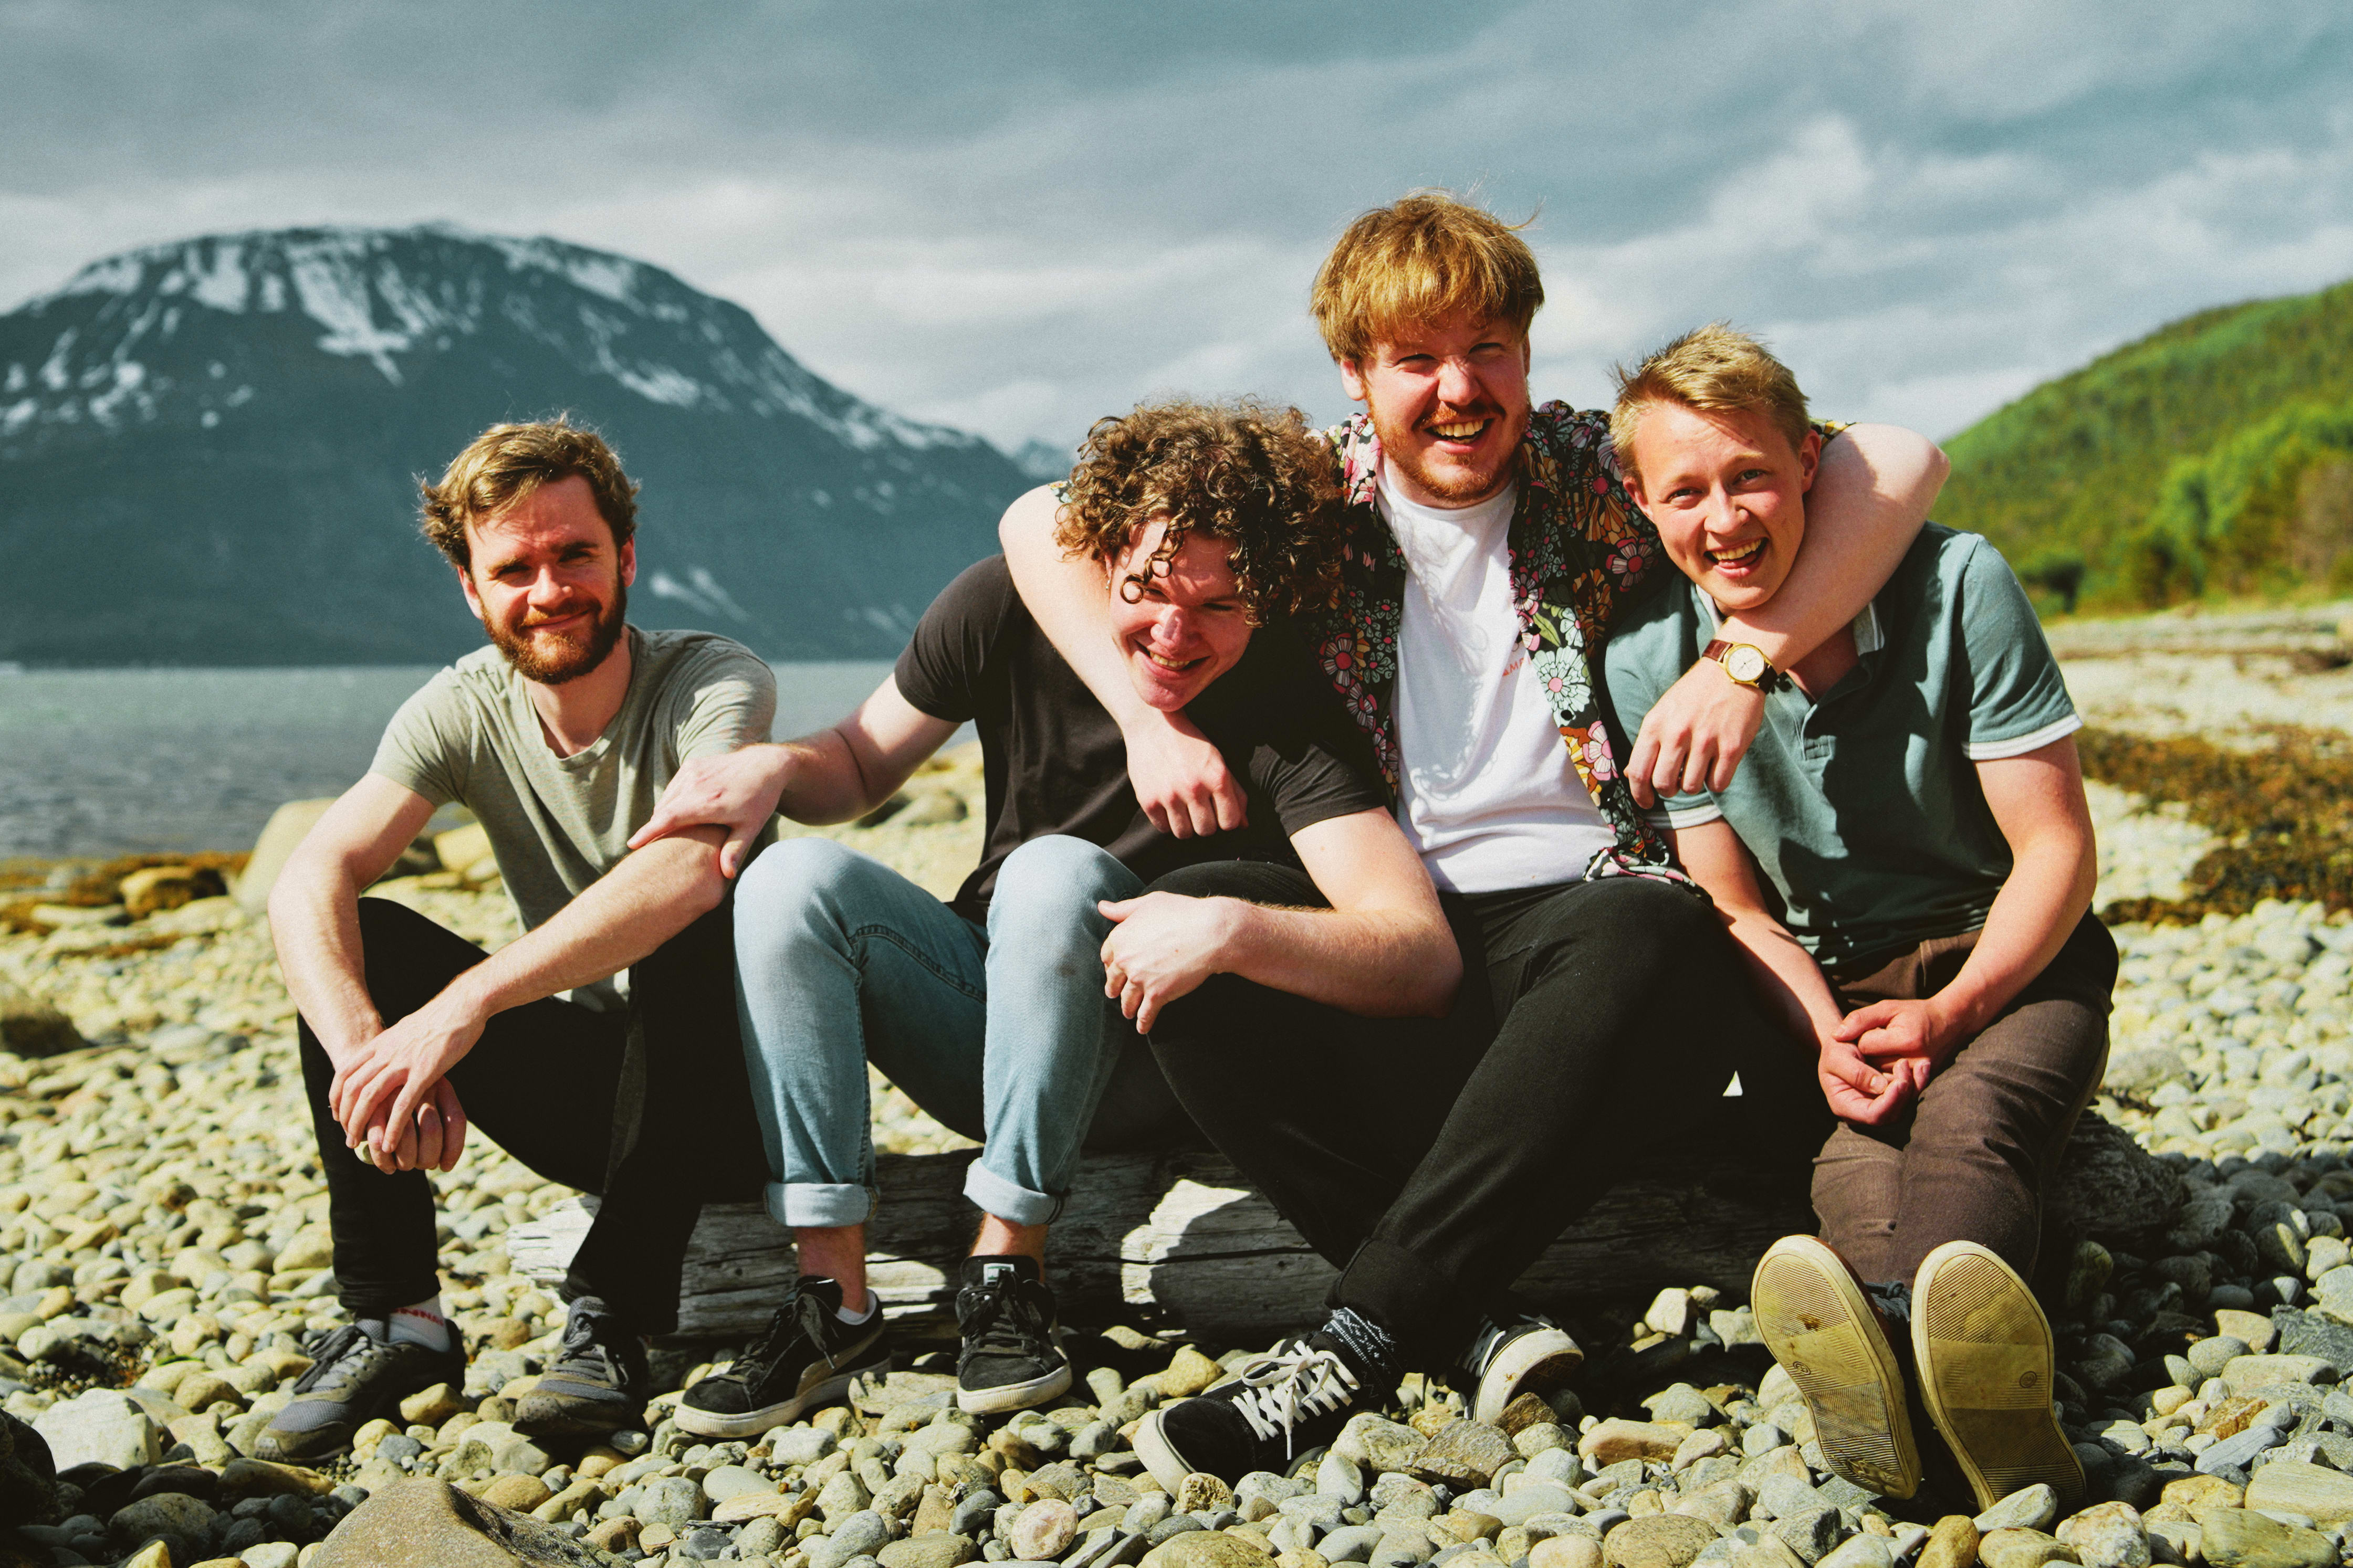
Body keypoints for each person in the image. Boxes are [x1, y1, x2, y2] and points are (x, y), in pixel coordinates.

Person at [996, 193, 1951, 1487]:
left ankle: (1352, 1345)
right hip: (1406, 949)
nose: (1460, 391)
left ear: (1527, 352)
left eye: (1487, 350)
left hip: (1609, 968)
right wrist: (1144, 720)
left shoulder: (1594, 468)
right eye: (1417, 359)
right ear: (1354, 372)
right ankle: (1468, 1317)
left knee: (1653, 919)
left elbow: (1898, 459)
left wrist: (1746, 656)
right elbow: (1037, 520)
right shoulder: (1310, 499)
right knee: (1201, 918)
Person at [626, 398, 1465, 1433]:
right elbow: (856, 764)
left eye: (1219, 605)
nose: (1174, 634)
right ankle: (831, 1302)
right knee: (788, 882)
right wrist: (773, 767)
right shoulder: (1004, 606)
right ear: (1100, 553)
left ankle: (1004, 1276)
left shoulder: (1284, 700)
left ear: (1268, 600)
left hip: (1144, 1059)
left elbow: (1418, 958)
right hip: (986, 1034)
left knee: (1054, 874)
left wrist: (1236, 929)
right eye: (1147, 589)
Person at [1601, 323, 2109, 1510]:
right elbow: (1736, 909)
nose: (1724, 519)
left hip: (2013, 963)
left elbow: (2058, 850)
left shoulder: (1957, 582)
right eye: (1686, 492)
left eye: (1751, 477)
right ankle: (1958, 1405)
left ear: (1811, 465)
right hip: (1835, 992)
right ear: (1641, 504)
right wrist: (1825, 1033)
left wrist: (1955, 1011)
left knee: (1973, 1124)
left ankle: (1898, 1364)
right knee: (1850, 1168)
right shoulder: (1645, 659)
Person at [258, 419, 776, 1460]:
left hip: (746, 1100)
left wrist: (463, 1007)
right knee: (358, 937)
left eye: (575, 554)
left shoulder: (712, 682)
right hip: (595, 1107)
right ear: (471, 588)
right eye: (514, 569)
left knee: (699, 916)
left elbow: (687, 870)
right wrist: (374, 1059)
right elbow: (308, 877)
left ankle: (614, 1315)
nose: (549, 591)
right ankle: (398, 1320)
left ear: (626, 558)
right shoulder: (462, 708)